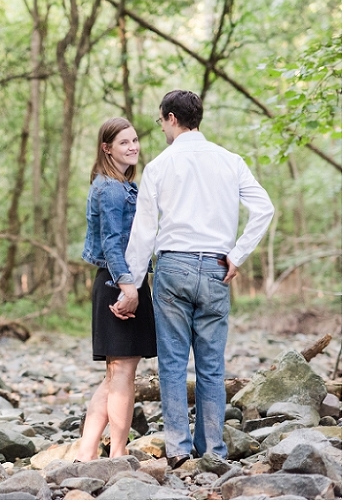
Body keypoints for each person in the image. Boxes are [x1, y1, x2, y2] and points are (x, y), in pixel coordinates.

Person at [112, 90, 274, 469]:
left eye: (160, 121)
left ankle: (179, 450)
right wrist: (238, 254)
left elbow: (144, 231)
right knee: (212, 364)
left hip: (173, 268)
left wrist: (131, 285)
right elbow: (264, 209)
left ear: (170, 118)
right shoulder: (230, 160)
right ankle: (213, 450)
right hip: (218, 268)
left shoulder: (160, 166)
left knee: (171, 363)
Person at [74, 117, 157, 461]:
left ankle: (85, 451)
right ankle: (118, 452)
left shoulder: (123, 186)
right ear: (107, 148)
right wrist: (130, 289)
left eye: (135, 140)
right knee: (122, 373)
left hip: (122, 281)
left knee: (114, 375)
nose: (133, 146)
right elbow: (111, 243)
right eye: (124, 142)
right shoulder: (109, 187)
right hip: (118, 283)